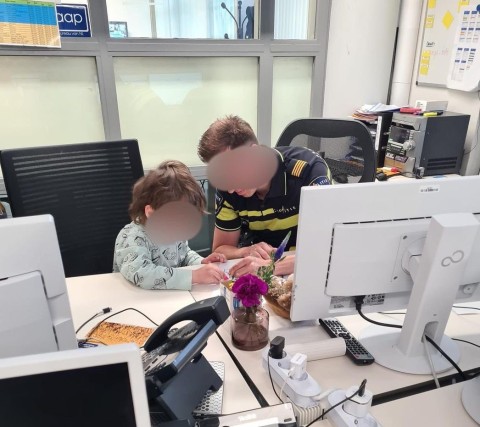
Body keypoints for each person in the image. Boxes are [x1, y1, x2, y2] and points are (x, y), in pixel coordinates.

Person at [198, 115, 332, 277]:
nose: (230, 189)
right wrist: (244, 251)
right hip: (257, 271)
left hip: (305, 271)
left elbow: (328, 249)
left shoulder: (310, 171)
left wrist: (269, 268)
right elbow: (220, 249)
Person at [113, 160, 227, 290]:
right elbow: (142, 273)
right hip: (134, 297)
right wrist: (194, 276)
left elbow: (184, 255)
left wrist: (201, 262)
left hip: (169, 296)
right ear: (151, 212)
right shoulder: (132, 237)